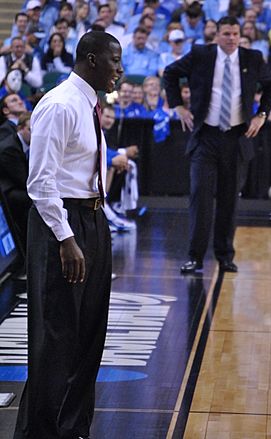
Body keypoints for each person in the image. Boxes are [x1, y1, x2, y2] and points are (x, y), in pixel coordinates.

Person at [13, 30, 123, 439]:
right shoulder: (58, 105)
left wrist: (96, 223)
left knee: (90, 332)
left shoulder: (90, 102)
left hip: (93, 218)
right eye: (114, 61)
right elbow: (41, 182)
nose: (120, 70)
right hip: (62, 223)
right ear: (92, 59)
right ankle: (38, 432)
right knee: (55, 337)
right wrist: (66, 238)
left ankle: (74, 429)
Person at [164, 16, 271, 274]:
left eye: (235, 34)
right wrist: (179, 106)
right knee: (200, 198)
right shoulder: (200, 54)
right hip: (206, 136)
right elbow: (171, 74)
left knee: (229, 201)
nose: (232, 38)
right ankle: (195, 257)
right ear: (216, 35)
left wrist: (261, 115)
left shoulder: (253, 58)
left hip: (236, 138)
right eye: (226, 34)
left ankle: (225, 256)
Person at [0, 111, 31, 254]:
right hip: (8, 192)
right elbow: (24, 181)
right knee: (35, 201)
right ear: (20, 129)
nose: (35, 134)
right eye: (31, 130)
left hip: (21, 186)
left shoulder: (32, 145)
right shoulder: (9, 149)